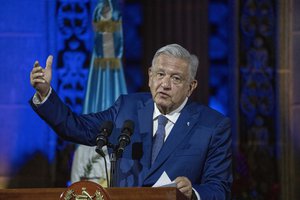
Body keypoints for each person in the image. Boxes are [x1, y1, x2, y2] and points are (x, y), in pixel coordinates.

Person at [30, 44, 232, 200]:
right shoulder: (126, 108)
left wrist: (193, 193)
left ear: (191, 86)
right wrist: (45, 93)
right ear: (150, 76)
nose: (165, 84)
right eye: (160, 74)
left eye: (176, 78)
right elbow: (76, 127)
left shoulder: (212, 125)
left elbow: (219, 188)